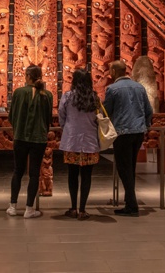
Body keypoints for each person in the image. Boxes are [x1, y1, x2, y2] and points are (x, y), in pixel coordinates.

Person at [104, 60, 153, 217]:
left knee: (124, 168)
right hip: (138, 132)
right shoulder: (139, 87)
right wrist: (144, 125)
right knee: (130, 166)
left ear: (114, 71)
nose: (109, 73)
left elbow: (107, 111)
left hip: (123, 132)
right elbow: (149, 110)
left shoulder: (112, 89)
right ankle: (129, 201)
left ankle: (132, 205)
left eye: (110, 70)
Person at [7, 64, 53, 218]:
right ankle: (29, 209)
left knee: (17, 171)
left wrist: (18, 127)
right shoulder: (47, 95)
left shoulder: (19, 93)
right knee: (34, 174)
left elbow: (12, 116)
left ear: (27, 76)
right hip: (38, 139)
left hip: (20, 137)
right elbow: (48, 119)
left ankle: (13, 206)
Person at [58, 69, 100, 220]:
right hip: (90, 141)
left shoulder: (68, 97)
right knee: (87, 176)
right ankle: (83, 210)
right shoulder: (94, 98)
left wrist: (68, 129)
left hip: (72, 141)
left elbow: (61, 116)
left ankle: (73, 207)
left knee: (72, 175)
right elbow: (98, 117)